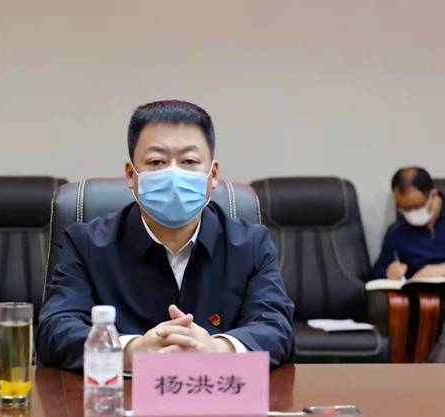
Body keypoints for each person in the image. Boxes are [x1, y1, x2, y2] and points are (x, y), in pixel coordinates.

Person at [36, 100, 294, 372]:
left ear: (213, 175)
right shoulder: (86, 244)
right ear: (131, 175)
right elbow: (55, 328)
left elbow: (276, 328)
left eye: (189, 161)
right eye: (156, 162)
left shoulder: (251, 244)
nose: (173, 174)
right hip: (119, 395)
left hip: (216, 392)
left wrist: (218, 349)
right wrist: (129, 352)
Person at [373, 167, 445, 280]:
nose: (412, 214)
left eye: (417, 207)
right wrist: (389, 272)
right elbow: (378, 270)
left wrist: (442, 269)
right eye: (405, 209)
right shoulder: (396, 231)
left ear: (433, 194)